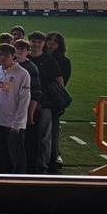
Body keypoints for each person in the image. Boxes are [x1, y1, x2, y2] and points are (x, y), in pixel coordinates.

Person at [0, 44, 31, 173]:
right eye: (0, 54)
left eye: (6, 55)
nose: (2, 57)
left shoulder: (22, 74)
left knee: (16, 156)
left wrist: (17, 123)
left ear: (13, 56)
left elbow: (24, 100)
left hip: (13, 124)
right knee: (0, 154)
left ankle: (18, 180)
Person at [28, 31, 65, 175]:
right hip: (25, 103)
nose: (36, 44)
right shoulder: (25, 58)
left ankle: (42, 164)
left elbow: (59, 81)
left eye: (39, 42)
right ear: (29, 42)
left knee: (44, 136)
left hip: (45, 104)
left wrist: (56, 99)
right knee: (28, 134)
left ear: (43, 43)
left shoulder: (49, 60)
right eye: (33, 41)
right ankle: (29, 161)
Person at [13, 39, 44, 173]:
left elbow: (36, 93)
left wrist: (30, 113)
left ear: (28, 52)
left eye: (22, 49)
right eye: (17, 48)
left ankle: (31, 172)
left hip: (29, 111)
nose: (19, 51)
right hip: (17, 110)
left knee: (30, 143)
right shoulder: (13, 65)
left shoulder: (30, 68)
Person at [45, 31, 72, 172]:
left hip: (54, 100)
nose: (51, 43)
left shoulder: (64, 61)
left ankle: (54, 157)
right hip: (42, 99)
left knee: (54, 129)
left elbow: (62, 83)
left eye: (55, 41)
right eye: (49, 39)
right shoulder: (40, 57)